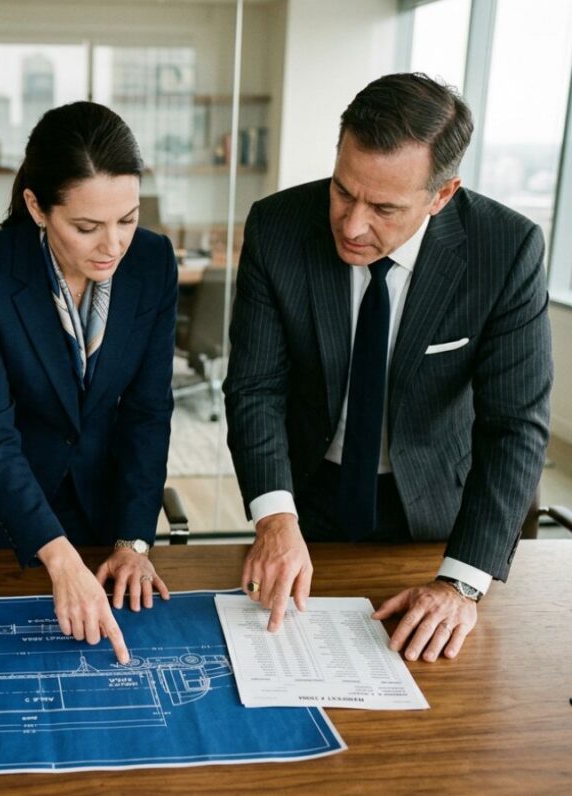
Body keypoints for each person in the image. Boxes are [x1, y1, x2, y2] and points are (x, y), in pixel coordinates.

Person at [224, 73, 551, 663]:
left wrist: (460, 584)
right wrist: (273, 517)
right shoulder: (278, 226)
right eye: (343, 191)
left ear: (442, 195)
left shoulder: (505, 250)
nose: (352, 225)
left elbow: (514, 427)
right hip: (305, 494)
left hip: (434, 514)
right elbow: (256, 388)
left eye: (384, 208)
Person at [0, 102, 178, 663]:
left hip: (97, 505)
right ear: (37, 207)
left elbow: (148, 411)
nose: (114, 245)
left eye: (127, 219)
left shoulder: (153, 261)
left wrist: (133, 540)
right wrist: (58, 557)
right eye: (86, 227)